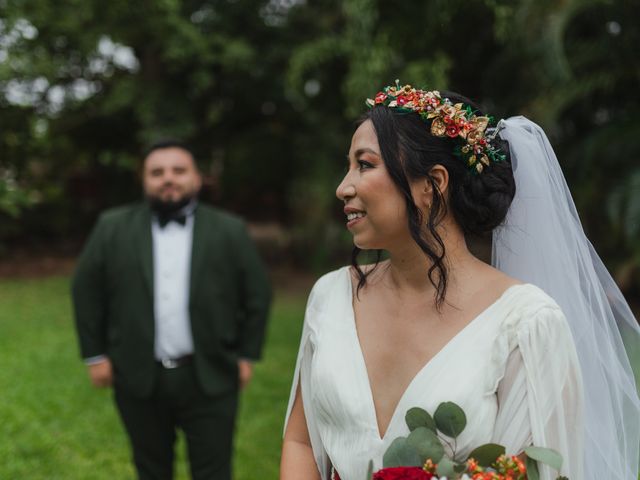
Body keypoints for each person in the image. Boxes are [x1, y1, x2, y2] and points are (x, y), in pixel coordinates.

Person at [280, 82, 639, 480]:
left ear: (432, 185)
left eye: (364, 165)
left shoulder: (527, 324)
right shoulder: (330, 297)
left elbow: (543, 470)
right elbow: (302, 442)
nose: (342, 187)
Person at [72, 140, 272, 480]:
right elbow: (86, 290)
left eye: (179, 170)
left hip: (210, 374)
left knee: (214, 470)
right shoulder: (112, 227)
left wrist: (246, 355)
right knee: (150, 469)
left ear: (197, 177)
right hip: (136, 374)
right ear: (144, 180)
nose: (168, 178)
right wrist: (95, 355)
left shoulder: (229, 230)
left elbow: (257, 294)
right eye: (157, 172)